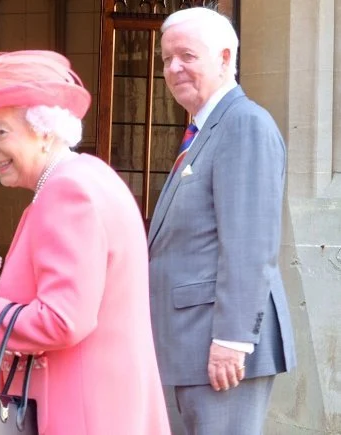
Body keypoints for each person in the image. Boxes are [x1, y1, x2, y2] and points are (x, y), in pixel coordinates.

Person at [0, 50, 171, 435]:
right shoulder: (92, 175)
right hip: (105, 401)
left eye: (1, 132)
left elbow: (62, 320)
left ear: (44, 130)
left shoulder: (66, 193)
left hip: (76, 409)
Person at [148, 7, 297, 435]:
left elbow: (250, 245)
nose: (173, 67)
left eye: (187, 56)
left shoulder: (244, 124)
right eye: (166, 59)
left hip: (220, 351)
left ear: (225, 57)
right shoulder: (204, 128)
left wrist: (233, 341)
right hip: (188, 346)